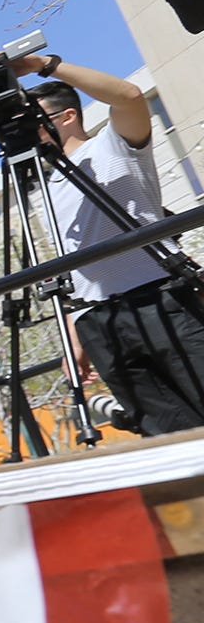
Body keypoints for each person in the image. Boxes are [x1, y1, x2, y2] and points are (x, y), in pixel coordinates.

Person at [16, 54, 204, 434]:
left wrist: (43, 65)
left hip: (160, 298)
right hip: (98, 321)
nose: (25, 129)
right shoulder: (43, 188)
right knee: (167, 435)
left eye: (34, 119)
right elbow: (71, 266)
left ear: (67, 117)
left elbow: (130, 96)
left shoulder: (112, 146)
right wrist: (75, 338)